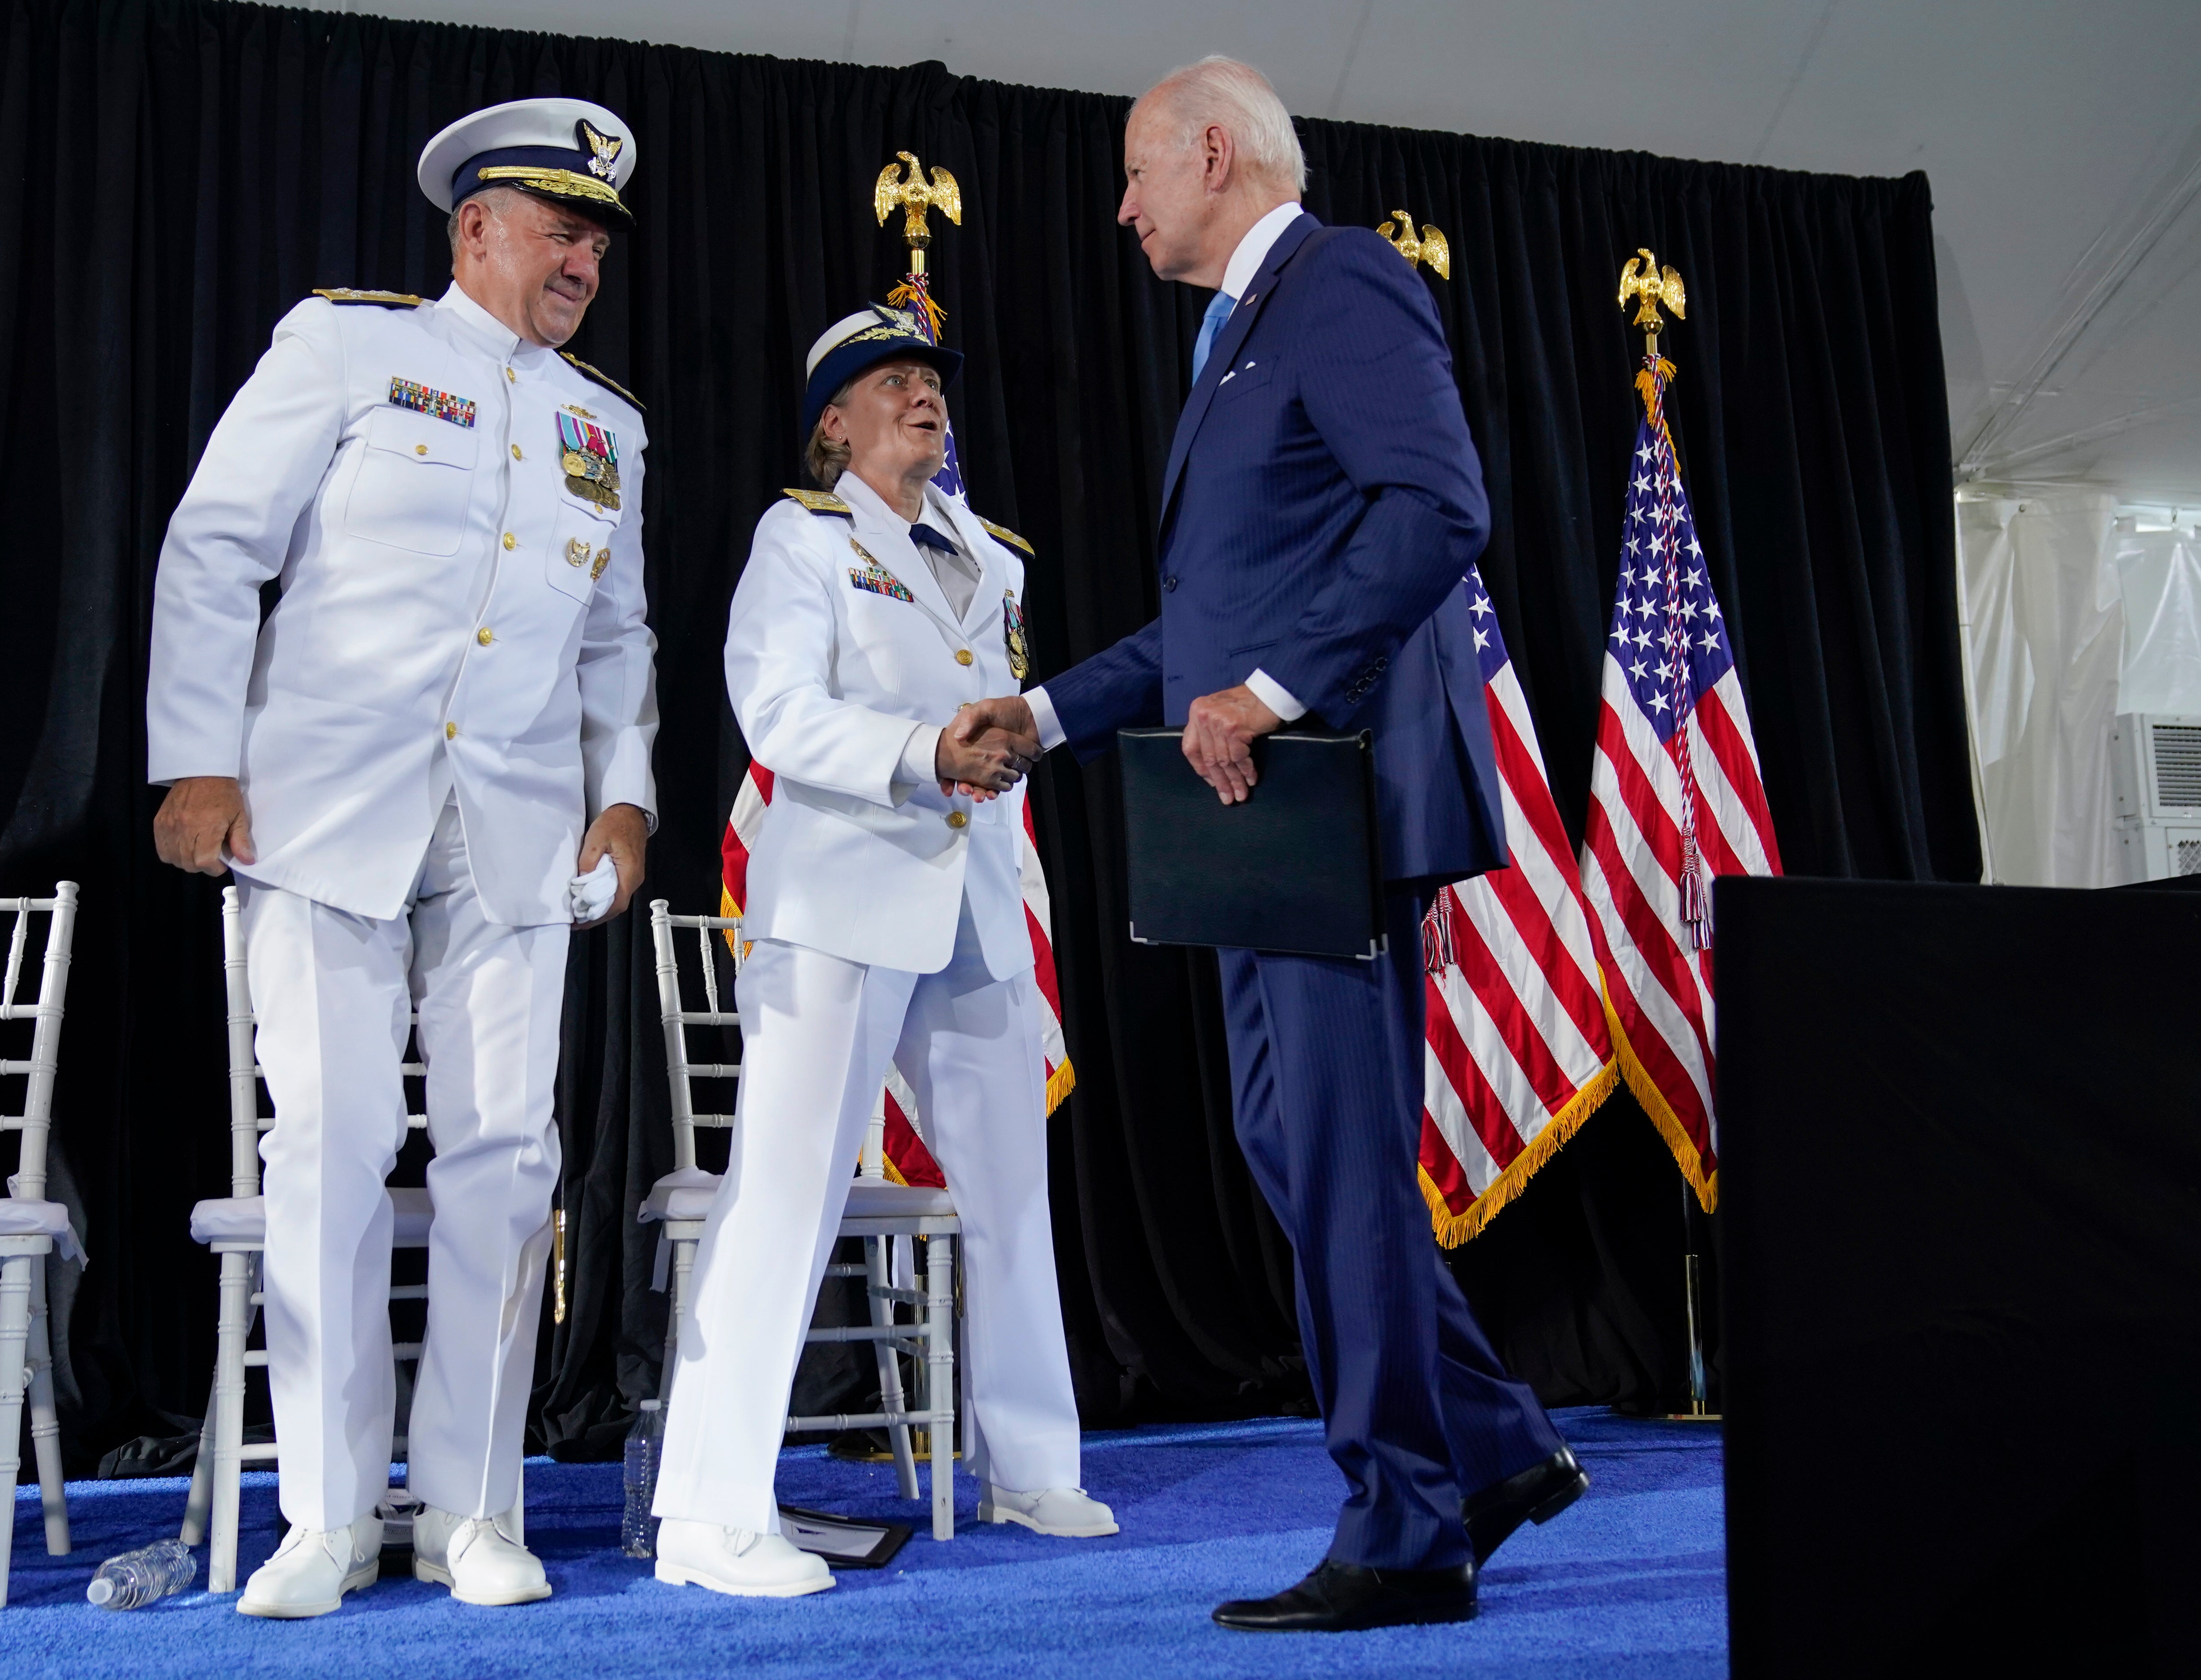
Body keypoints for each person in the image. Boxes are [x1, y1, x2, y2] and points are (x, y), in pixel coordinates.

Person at [953, 57, 1588, 1633]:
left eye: (1136, 174)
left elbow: (1439, 505)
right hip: (1255, 817)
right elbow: (1211, 618)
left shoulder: (1339, 279)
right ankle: (1494, 1448)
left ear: (1216, 151)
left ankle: (1406, 1528)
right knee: (1294, 1148)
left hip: (1326, 795)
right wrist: (1044, 713)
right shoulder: (1234, 333)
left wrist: (1277, 689)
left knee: (1343, 1160)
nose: (1123, 206)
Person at [146, 96, 658, 1617]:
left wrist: (622, 799)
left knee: (510, 1160)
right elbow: (215, 542)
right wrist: (197, 758)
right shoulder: (349, 348)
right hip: (318, 810)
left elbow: (619, 639)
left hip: (513, 837)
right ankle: (323, 1510)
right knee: (332, 1149)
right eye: (557, 227)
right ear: (474, 230)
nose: (581, 256)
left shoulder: (608, 426)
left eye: (599, 239)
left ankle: (472, 1508)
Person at [647, 303, 1115, 1599]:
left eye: (930, 381)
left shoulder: (991, 554)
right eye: (889, 382)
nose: (923, 397)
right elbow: (780, 714)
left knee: (1012, 1195)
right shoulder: (799, 541)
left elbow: (1004, 712)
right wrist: (924, 754)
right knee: (785, 1196)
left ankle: (1030, 1464)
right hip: (846, 903)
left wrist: (1017, 743)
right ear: (834, 424)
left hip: (975, 898)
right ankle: (709, 1510)